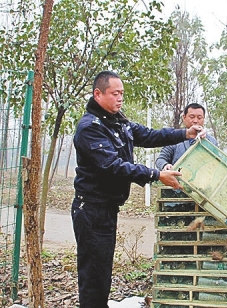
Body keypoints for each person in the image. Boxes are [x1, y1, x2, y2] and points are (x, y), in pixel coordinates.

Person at [71, 70, 205, 308]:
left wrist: (185, 132)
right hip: (91, 209)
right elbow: (113, 166)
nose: (120, 98)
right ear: (98, 94)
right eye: (115, 93)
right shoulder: (90, 128)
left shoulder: (117, 122)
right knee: (93, 276)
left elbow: (150, 135)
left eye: (121, 93)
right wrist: (156, 174)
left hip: (106, 208)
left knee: (101, 272)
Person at [155, 103, 217, 171]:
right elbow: (160, 159)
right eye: (192, 117)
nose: (195, 121)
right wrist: (165, 165)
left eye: (199, 118)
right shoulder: (174, 138)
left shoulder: (212, 141)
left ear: (204, 119)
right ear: (184, 118)